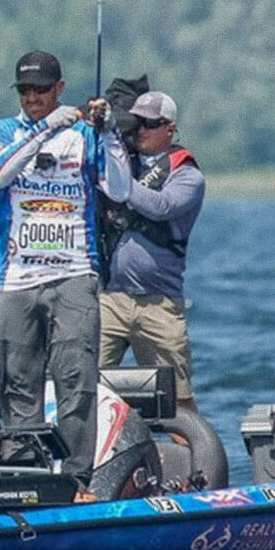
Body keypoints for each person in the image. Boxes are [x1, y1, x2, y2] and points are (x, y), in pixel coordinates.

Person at [0, 51, 131, 502]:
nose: (32, 98)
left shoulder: (87, 135)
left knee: (75, 378)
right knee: (16, 382)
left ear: (59, 89)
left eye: (41, 91)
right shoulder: (5, 132)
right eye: (25, 91)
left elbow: (121, 189)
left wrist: (106, 133)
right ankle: (26, 477)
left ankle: (76, 480)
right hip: (16, 278)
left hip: (74, 275)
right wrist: (48, 127)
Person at [98, 91, 205, 413]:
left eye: (150, 123)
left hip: (159, 304)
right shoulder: (119, 161)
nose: (140, 130)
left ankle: (195, 460)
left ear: (170, 129)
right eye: (136, 122)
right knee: (80, 386)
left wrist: (119, 185)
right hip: (108, 301)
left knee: (178, 402)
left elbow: (162, 206)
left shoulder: (188, 176)